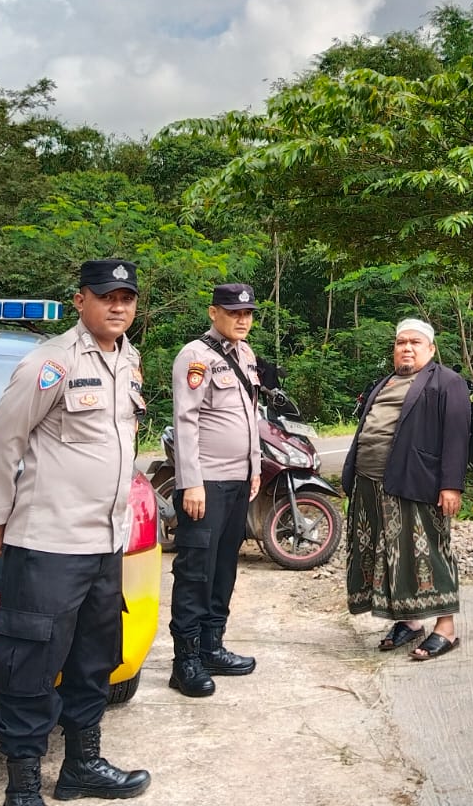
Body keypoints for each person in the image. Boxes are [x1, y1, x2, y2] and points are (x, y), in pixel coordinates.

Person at [0, 258, 152, 806]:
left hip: (104, 543)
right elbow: (2, 441)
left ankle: (82, 765)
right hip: (49, 542)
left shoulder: (129, 361)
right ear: (81, 301)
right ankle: (23, 785)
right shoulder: (50, 362)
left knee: (93, 660)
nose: (118, 306)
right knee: (31, 664)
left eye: (126, 297)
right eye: (107, 297)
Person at [341, 318, 471, 661]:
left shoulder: (447, 382)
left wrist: (451, 486)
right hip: (371, 485)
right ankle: (410, 622)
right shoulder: (385, 383)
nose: (407, 348)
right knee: (389, 558)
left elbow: (457, 438)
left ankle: (446, 629)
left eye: (415, 342)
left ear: (430, 349)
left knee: (429, 553)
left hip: (417, 484)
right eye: (401, 343)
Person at [167, 283, 261, 699]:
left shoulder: (246, 355)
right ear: (213, 313)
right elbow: (185, 422)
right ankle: (184, 661)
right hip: (205, 484)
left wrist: (254, 468)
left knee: (224, 568)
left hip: (238, 481)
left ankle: (211, 646)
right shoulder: (195, 357)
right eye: (233, 312)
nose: (242, 319)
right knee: (195, 573)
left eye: (248, 314)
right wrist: (191, 481)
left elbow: (250, 416)